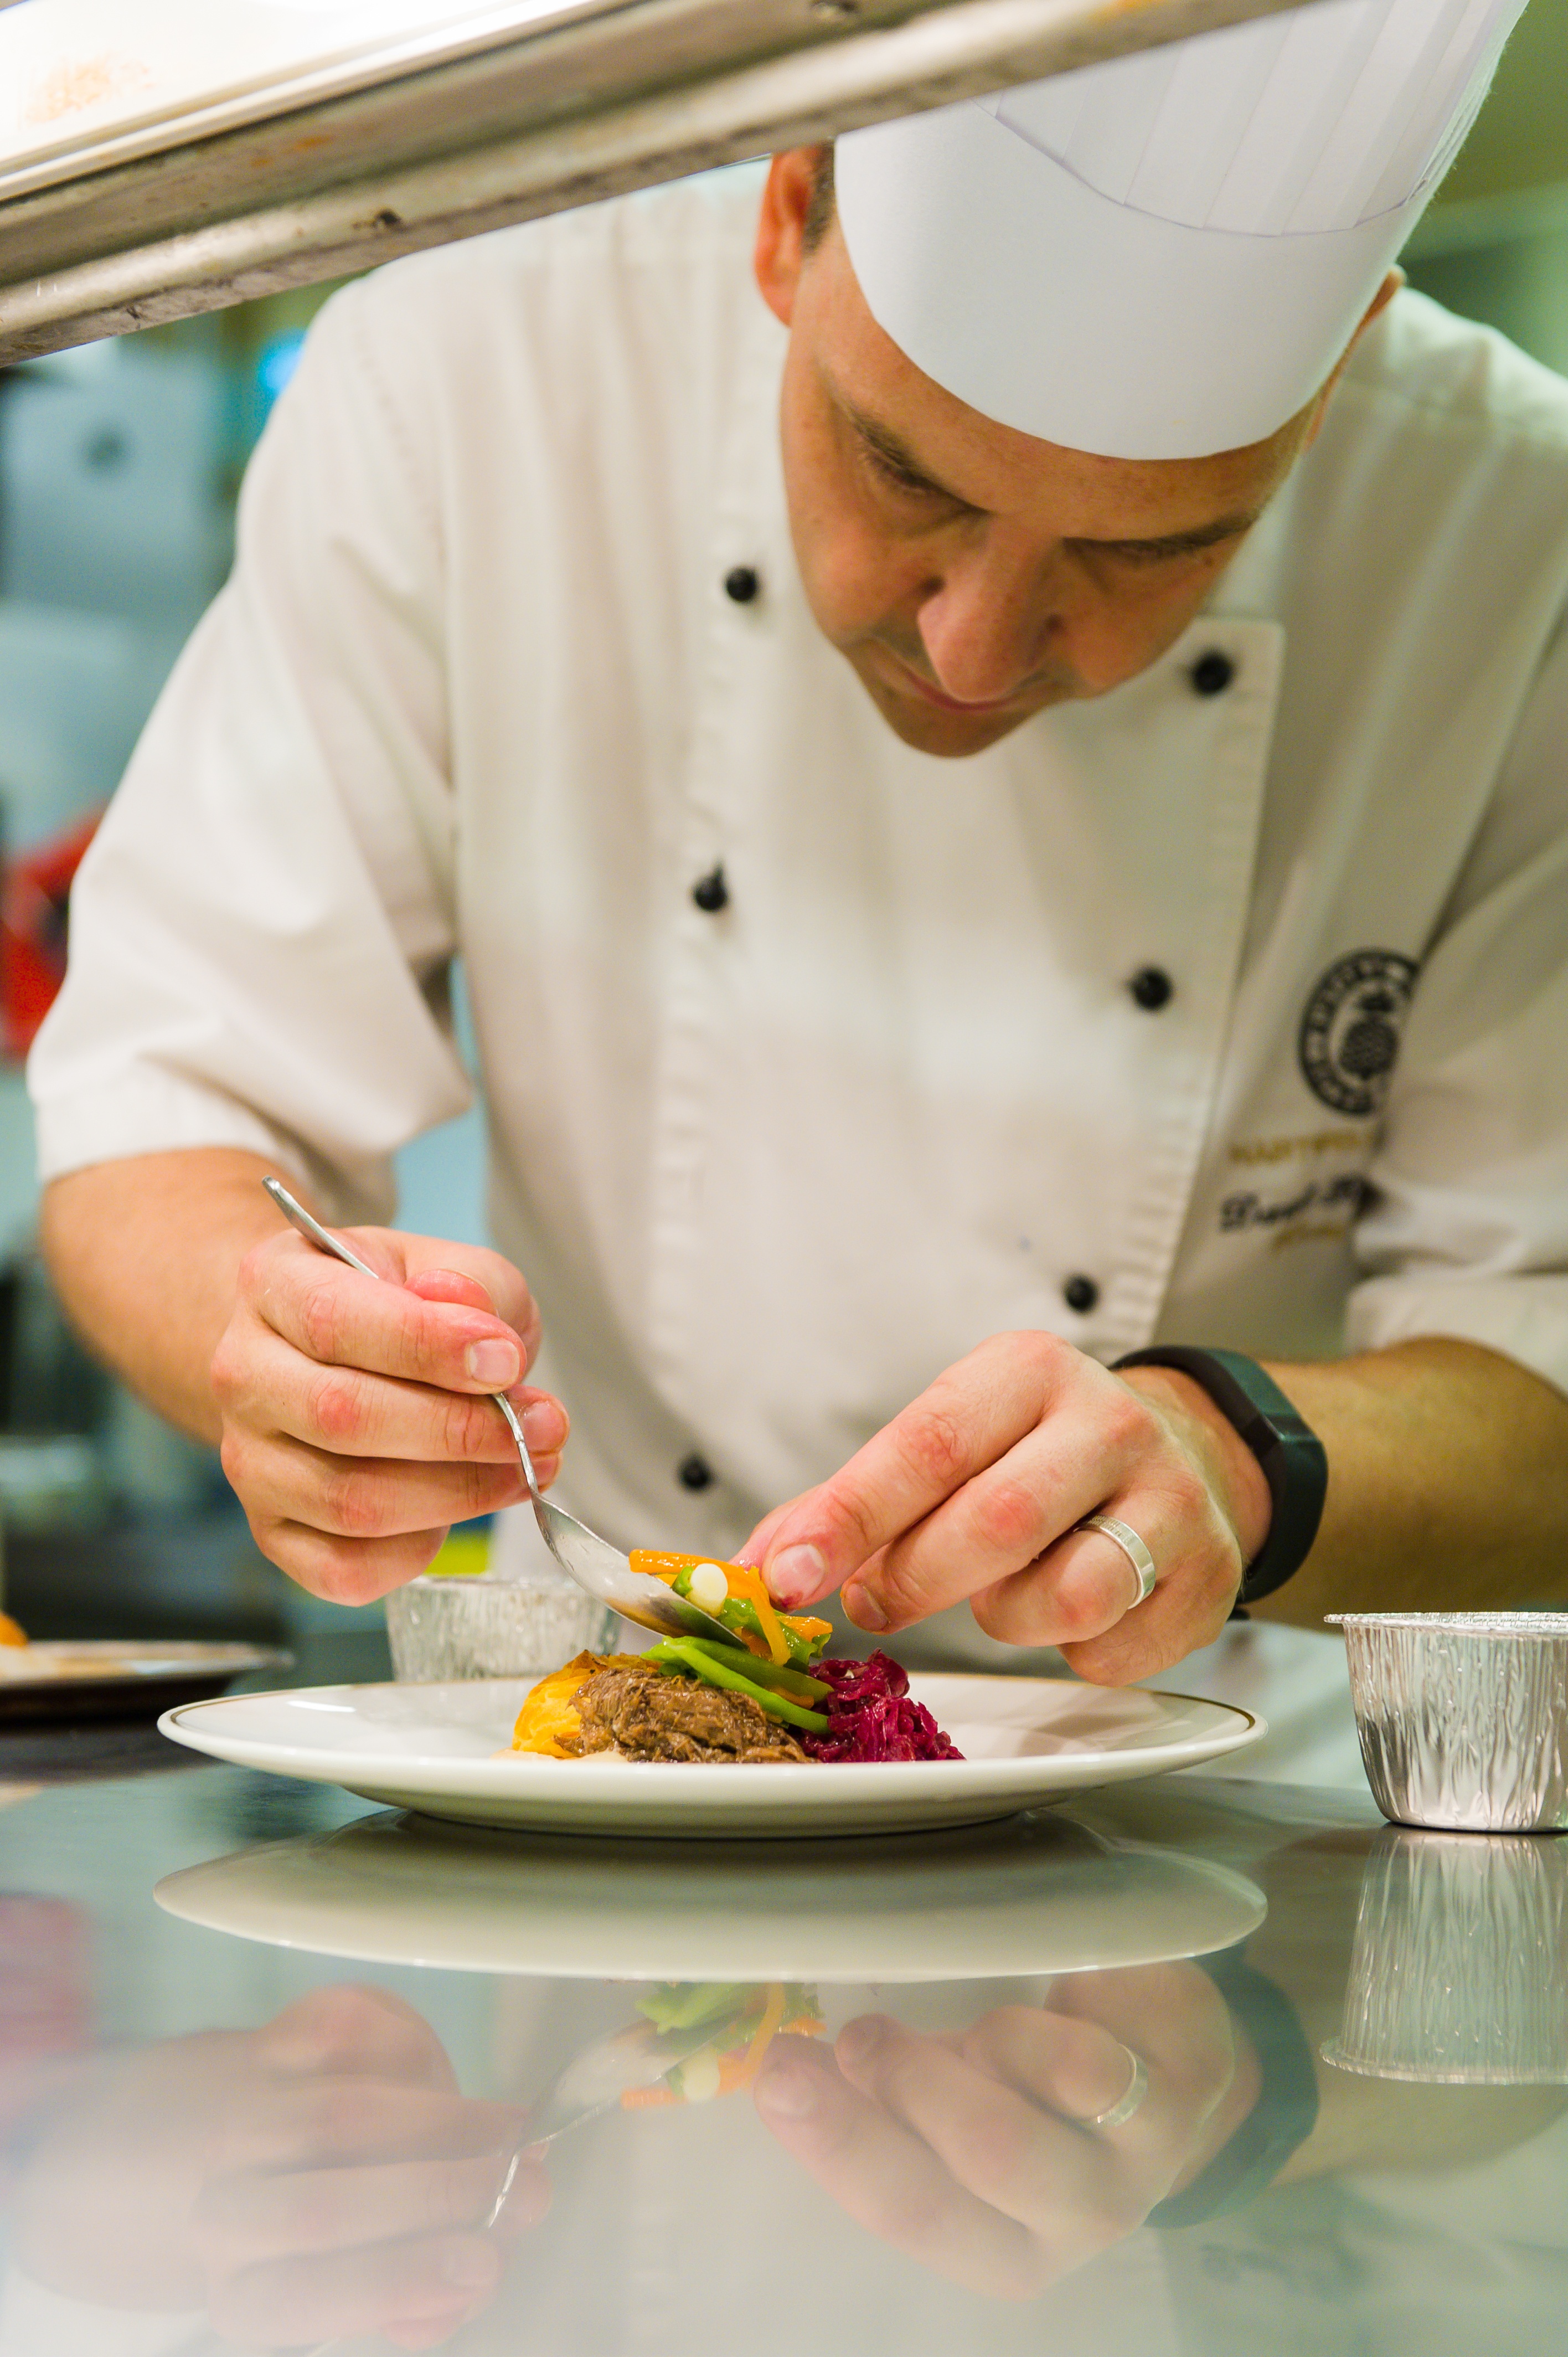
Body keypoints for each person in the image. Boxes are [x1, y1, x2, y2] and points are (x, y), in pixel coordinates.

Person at [28, 0, 1568, 1683]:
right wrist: (293, 1353)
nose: (976, 647)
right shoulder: (476, 376)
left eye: (1152, 550)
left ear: (1342, 364)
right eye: (906, 475)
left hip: (1223, 1822)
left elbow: (1534, 1392)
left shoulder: (1508, 543)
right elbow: (170, 1101)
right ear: (787, 213)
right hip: (611, 1763)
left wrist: (1222, 1449)